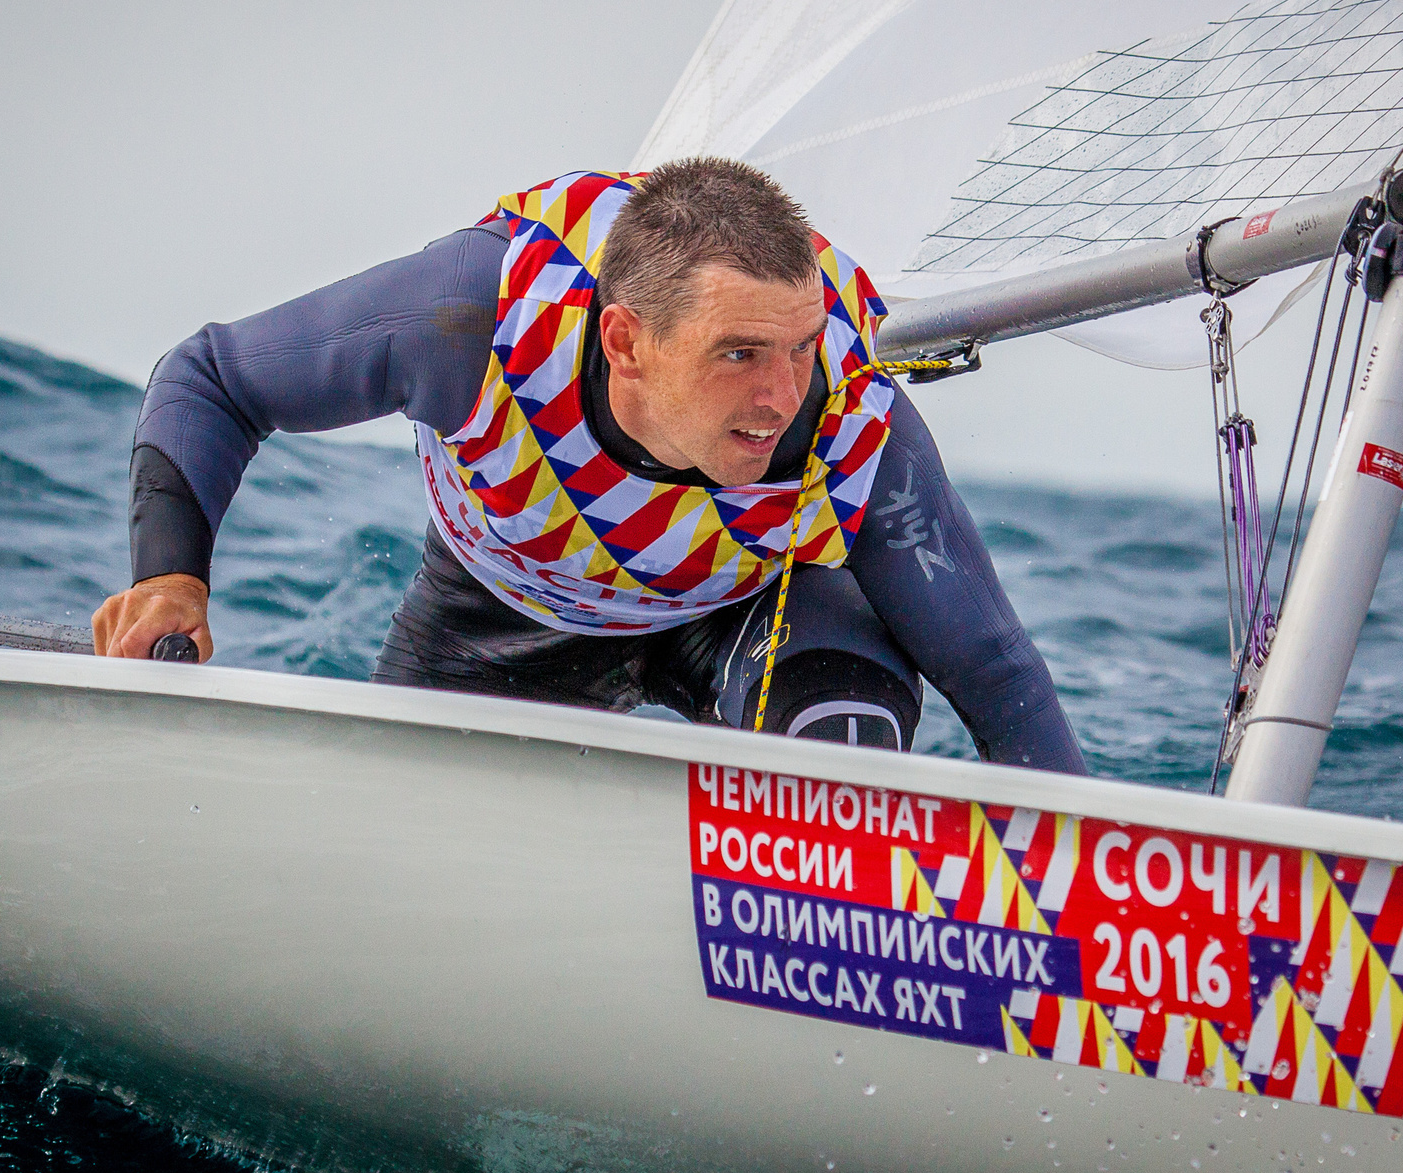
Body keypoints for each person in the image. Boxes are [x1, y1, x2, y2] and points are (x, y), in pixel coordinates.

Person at [93, 159, 1084, 772]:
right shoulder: (472, 319)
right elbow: (213, 377)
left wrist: (1079, 903)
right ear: (623, 342)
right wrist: (169, 579)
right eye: (738, 354)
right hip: (497, 612)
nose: (782, 396)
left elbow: (994, 672)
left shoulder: (851, 415)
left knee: (845, 730)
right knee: (387, 849)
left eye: (798, 348)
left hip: (746, 610)